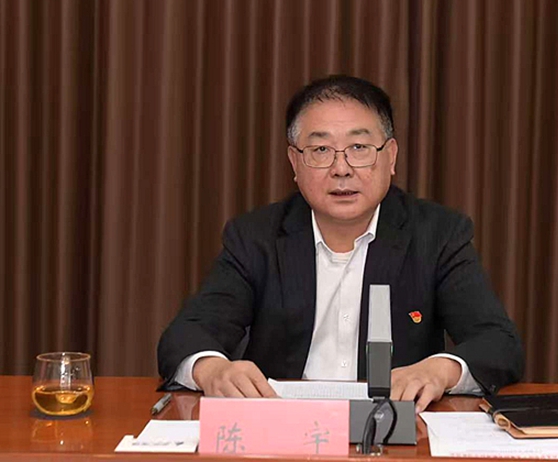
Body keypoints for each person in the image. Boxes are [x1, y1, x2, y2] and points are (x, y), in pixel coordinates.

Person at [157, 75, 523, 412]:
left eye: (359, 147)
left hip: (392, 431)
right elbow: (187, 333)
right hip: (282, 432)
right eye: (320, 150)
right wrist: (212, 369)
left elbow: (498, 341)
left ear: (391, 156)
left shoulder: (437, 234)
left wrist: (441, 370)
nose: (342, 168)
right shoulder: (256, 236)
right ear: (294, 162)